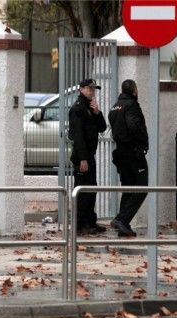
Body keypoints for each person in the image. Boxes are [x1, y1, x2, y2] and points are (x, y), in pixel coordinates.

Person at [108, 79, 148, 237]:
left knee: (128, 187)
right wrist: (143, 141)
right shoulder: (131, 105)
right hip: (133, 152)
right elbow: (133, 126)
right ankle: (122, 220)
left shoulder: (115, 106)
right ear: (133, 90)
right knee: (143, 187)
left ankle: (122, 225)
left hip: (121, 153)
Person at [69, 78, 107, 234]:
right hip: (81, 157)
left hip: (89, 155)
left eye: (93, 89)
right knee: (83, 191)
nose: (92, 92)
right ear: (81, 89)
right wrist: (83, 159)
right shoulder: (78, 108)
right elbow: (78, 136)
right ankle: (80, 224)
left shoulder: (90, 107)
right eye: (89, 89)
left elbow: (102, 127)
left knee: (91, 189)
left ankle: (90, 221)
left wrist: (97, 113)